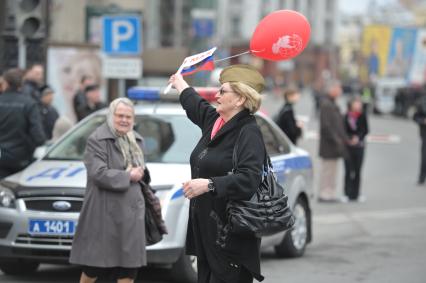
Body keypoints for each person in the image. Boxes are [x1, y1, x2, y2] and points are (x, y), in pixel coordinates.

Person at [169, 64, 266, 283]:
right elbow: (197, 106)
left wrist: (209, 185)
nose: (216, 94)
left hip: (230, 238)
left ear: (240, 99)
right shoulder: (217, 122)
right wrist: (180, 83)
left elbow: (249, 179)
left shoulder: (248, 132)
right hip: (207, 234)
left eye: (223, 91)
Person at [70, 98, 151, 283]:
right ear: (111, 116)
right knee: (94, 267)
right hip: (104, 214)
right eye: (120, 116)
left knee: (129, 269)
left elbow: (141, 172)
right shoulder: (97, 139)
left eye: (128, 117)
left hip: (131, 215)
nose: (124, 120)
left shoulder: (137, 140)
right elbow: (97, 173)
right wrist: (128, 176)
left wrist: (141, 174)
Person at [0, 68, 46, 178]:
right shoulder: (29, 104)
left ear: (5, 83)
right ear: (21, 84)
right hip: (22, 159)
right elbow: (39, 137)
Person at [318, 80, 348, 202]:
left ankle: (330, 193)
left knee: (333, 171)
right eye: (338, 88)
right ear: (332, 89)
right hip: (329, 145)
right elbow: (326, 126)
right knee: (328, 171)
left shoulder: (332, 103)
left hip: (334, 144)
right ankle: (325, 194)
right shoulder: (326, 104)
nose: (340, 91)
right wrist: (336, 139)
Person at [343, 97, 369, 201]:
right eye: (356, 103)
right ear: (351, 104)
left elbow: (365, 130)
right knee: (348, 170)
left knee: (358, 171)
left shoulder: (362, 116)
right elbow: (343, 130)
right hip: (348, 147)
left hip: (359, 147)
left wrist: (358, 138)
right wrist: (349, 139)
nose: (358, 105)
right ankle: (347, 194)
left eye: (359, 103)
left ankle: (356, 194)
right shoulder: (346, 116)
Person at [413, 87, 426, 185]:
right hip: (425, 135)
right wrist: (422, 121)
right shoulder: (422, 102)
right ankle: (421, 178)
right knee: (424, 157)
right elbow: (415, 117)